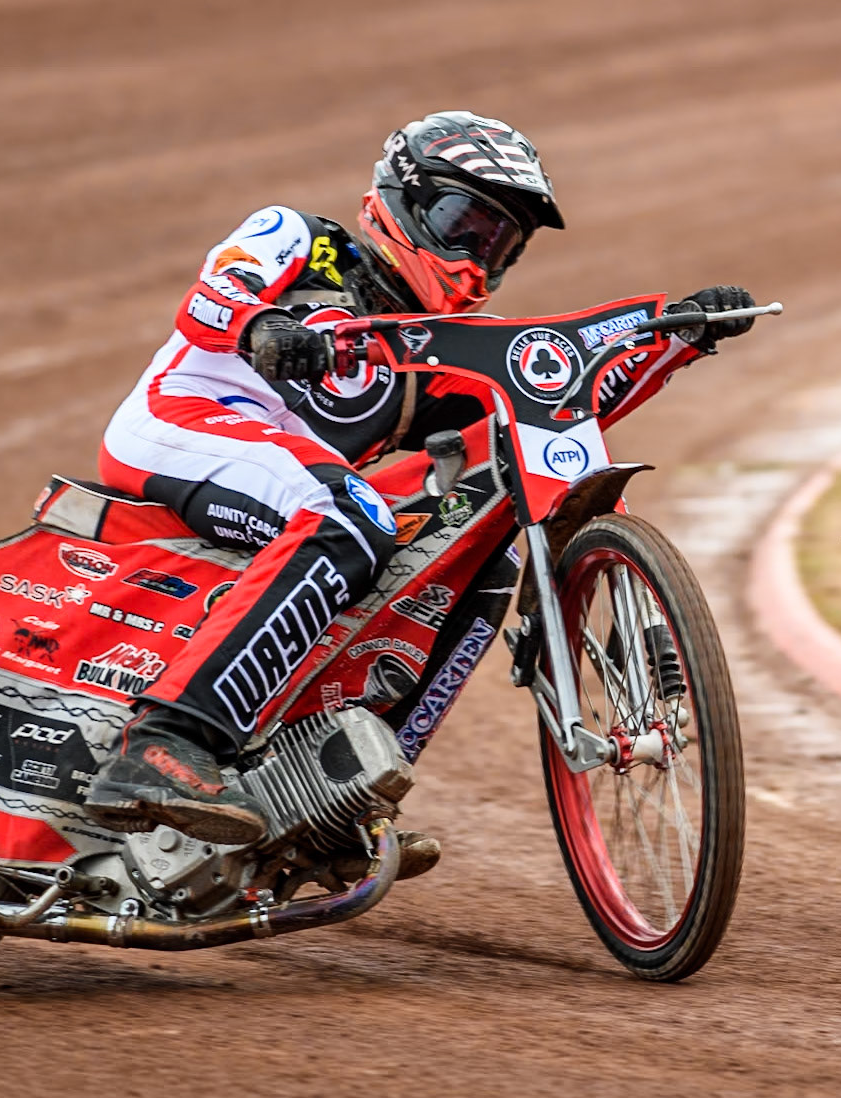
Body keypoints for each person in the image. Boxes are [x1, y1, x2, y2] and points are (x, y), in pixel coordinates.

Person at [85, 110, 755, 849]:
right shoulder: (301, 239)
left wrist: (680, 337)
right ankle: (163, 740)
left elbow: (566, 398)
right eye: (463, 222)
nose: (476, 257)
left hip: (280, 477)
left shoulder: (440, 349)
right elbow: (213, 294)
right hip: (180, 421)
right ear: (401, 200)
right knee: (351, 513)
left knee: (475, 539)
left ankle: (336, 794)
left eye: (499, 243)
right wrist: (261, 326)